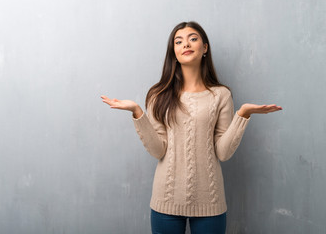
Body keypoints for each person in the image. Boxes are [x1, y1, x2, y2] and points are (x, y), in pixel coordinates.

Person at [101, 21, 282, 234]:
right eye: (178, 41)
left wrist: (242, 114)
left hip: (210, 203)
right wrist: (138, 113)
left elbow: (223, 153)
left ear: (205, 47)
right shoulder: (158, 94)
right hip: (166, 202)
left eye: (192, 38)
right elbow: (158, 150)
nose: (185, 44)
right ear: (174, 52)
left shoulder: (220, 95)